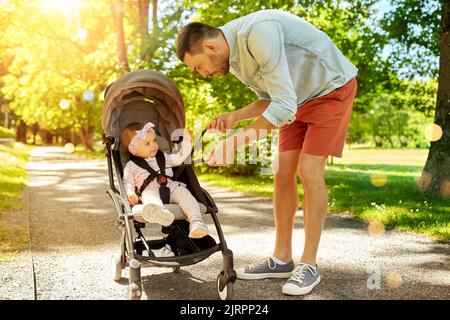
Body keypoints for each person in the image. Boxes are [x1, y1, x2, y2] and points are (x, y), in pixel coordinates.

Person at [176, 9, 358, 295]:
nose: (203, 75)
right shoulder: (232, 60)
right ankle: (281, 259)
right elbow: (271, 99)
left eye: (198, 67)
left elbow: (282, 106)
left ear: (209, 46)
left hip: (330, 89)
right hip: (296, 100)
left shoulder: (258, 32)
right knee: (282, 172)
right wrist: (235, 116)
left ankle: (309, 264)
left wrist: (235, 143)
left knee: (309, 170)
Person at [120, 121, 209, 239]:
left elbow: (179, 158)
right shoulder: (131, 166)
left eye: (154, 141)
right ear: (133, 149)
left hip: (171, 187)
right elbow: (127, 182)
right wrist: (130, 193)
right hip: (149, 190)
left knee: (185, 194)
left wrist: (187, 141)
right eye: (147, 143)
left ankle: (196, 222)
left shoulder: (163, 157)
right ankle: (161, 213)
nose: (153, 145)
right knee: (150, 198)